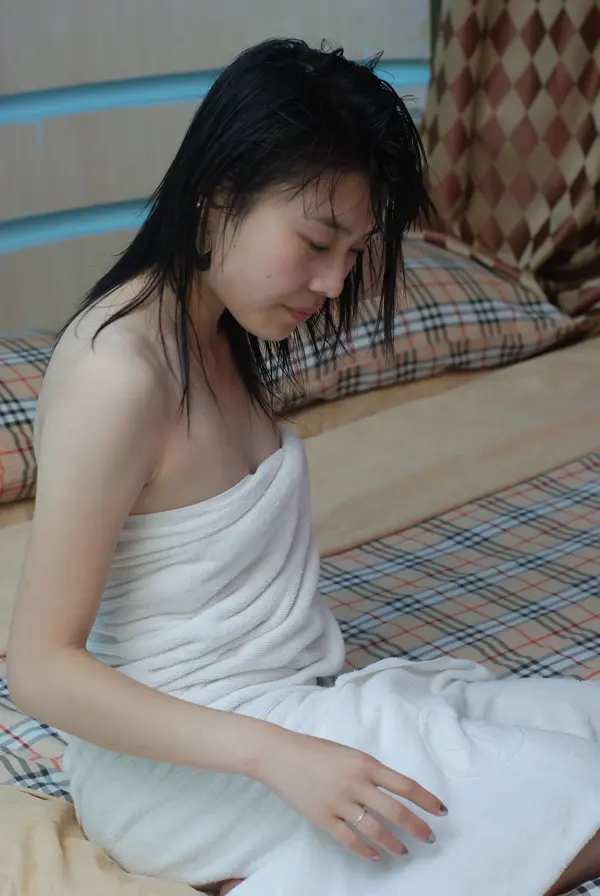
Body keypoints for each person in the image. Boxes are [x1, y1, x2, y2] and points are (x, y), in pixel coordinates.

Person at [6, 39, 600, 896]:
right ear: (217, 198)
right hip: (180, 765)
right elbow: (39, 668)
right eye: (318, 241)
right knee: (570, 792)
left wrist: (300, 736)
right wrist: (280, 757)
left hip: (294, 706)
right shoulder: (117, 375)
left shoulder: (221, 333)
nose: (332, 282)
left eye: (353, 252)